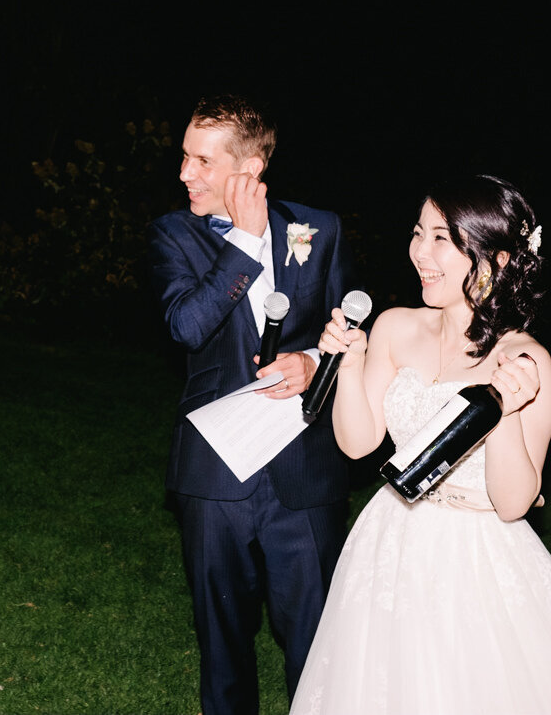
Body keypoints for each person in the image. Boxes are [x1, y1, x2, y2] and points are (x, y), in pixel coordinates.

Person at [290, 175, 551, 714]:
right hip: (387, 539)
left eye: (441, 239)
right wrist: (351, 360)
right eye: (417, 232)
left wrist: (503, 410)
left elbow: (513, 502)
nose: (419, 253)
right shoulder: (394, 326)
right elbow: (358, 444)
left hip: (474, 560)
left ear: (497, 259)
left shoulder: (525, 360)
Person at [148, 95, 358, 714]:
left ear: (253, 166)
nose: (185, 174)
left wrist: (316, 362)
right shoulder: (174, 235)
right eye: (184, 157)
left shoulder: (320, 229)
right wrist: (241, 237)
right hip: (215, 477)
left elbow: (354, 339)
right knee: (223, 647)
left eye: (203, 162)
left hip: (305, 472)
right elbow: (188, 326)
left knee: (316, 647)